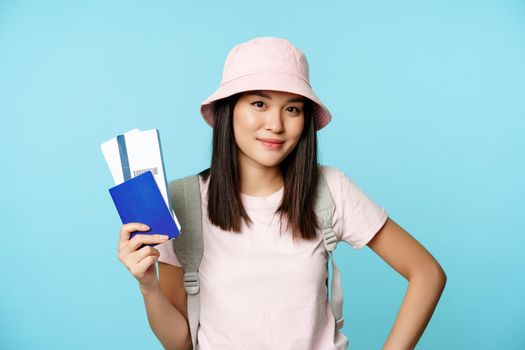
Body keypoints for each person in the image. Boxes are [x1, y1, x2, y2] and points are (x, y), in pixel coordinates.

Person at [117, 37, 447, 350]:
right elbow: (181, 343)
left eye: (292, 109)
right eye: (259, 103)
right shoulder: (182, 201)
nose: (276, 123)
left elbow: (427, 273)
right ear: (228, 110)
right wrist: (148, 285)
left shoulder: (330, 189)